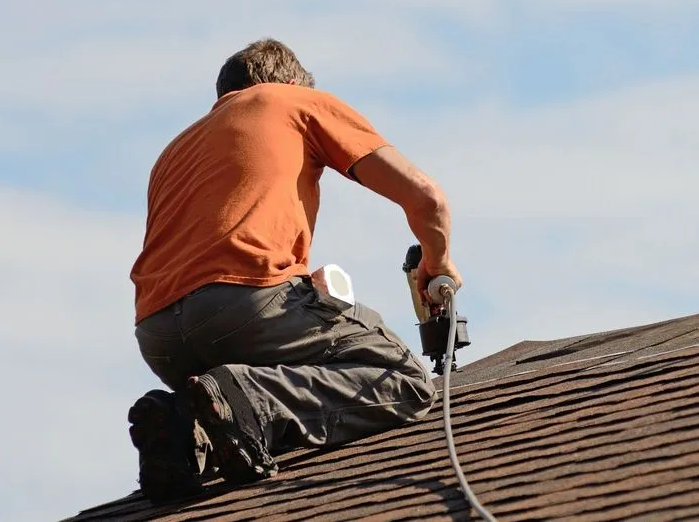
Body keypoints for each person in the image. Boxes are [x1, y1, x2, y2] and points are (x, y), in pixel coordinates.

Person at [125, 38, 463, 502]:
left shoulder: (175, 150)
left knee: (225, 400)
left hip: (159, 335)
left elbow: (208, 246)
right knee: (403, 380)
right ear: (288, 82)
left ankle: (184, 429)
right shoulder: (292, 101)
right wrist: (437, 261)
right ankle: (252, 400)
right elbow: (428, 199)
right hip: (243, 306)